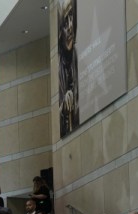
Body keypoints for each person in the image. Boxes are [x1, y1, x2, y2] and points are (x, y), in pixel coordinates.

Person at [58, 0, 78, 136]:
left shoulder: (76, 57)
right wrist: (63, 107)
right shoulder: (60, 63)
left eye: (72, 18)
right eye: (66, 22)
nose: (70, 26)